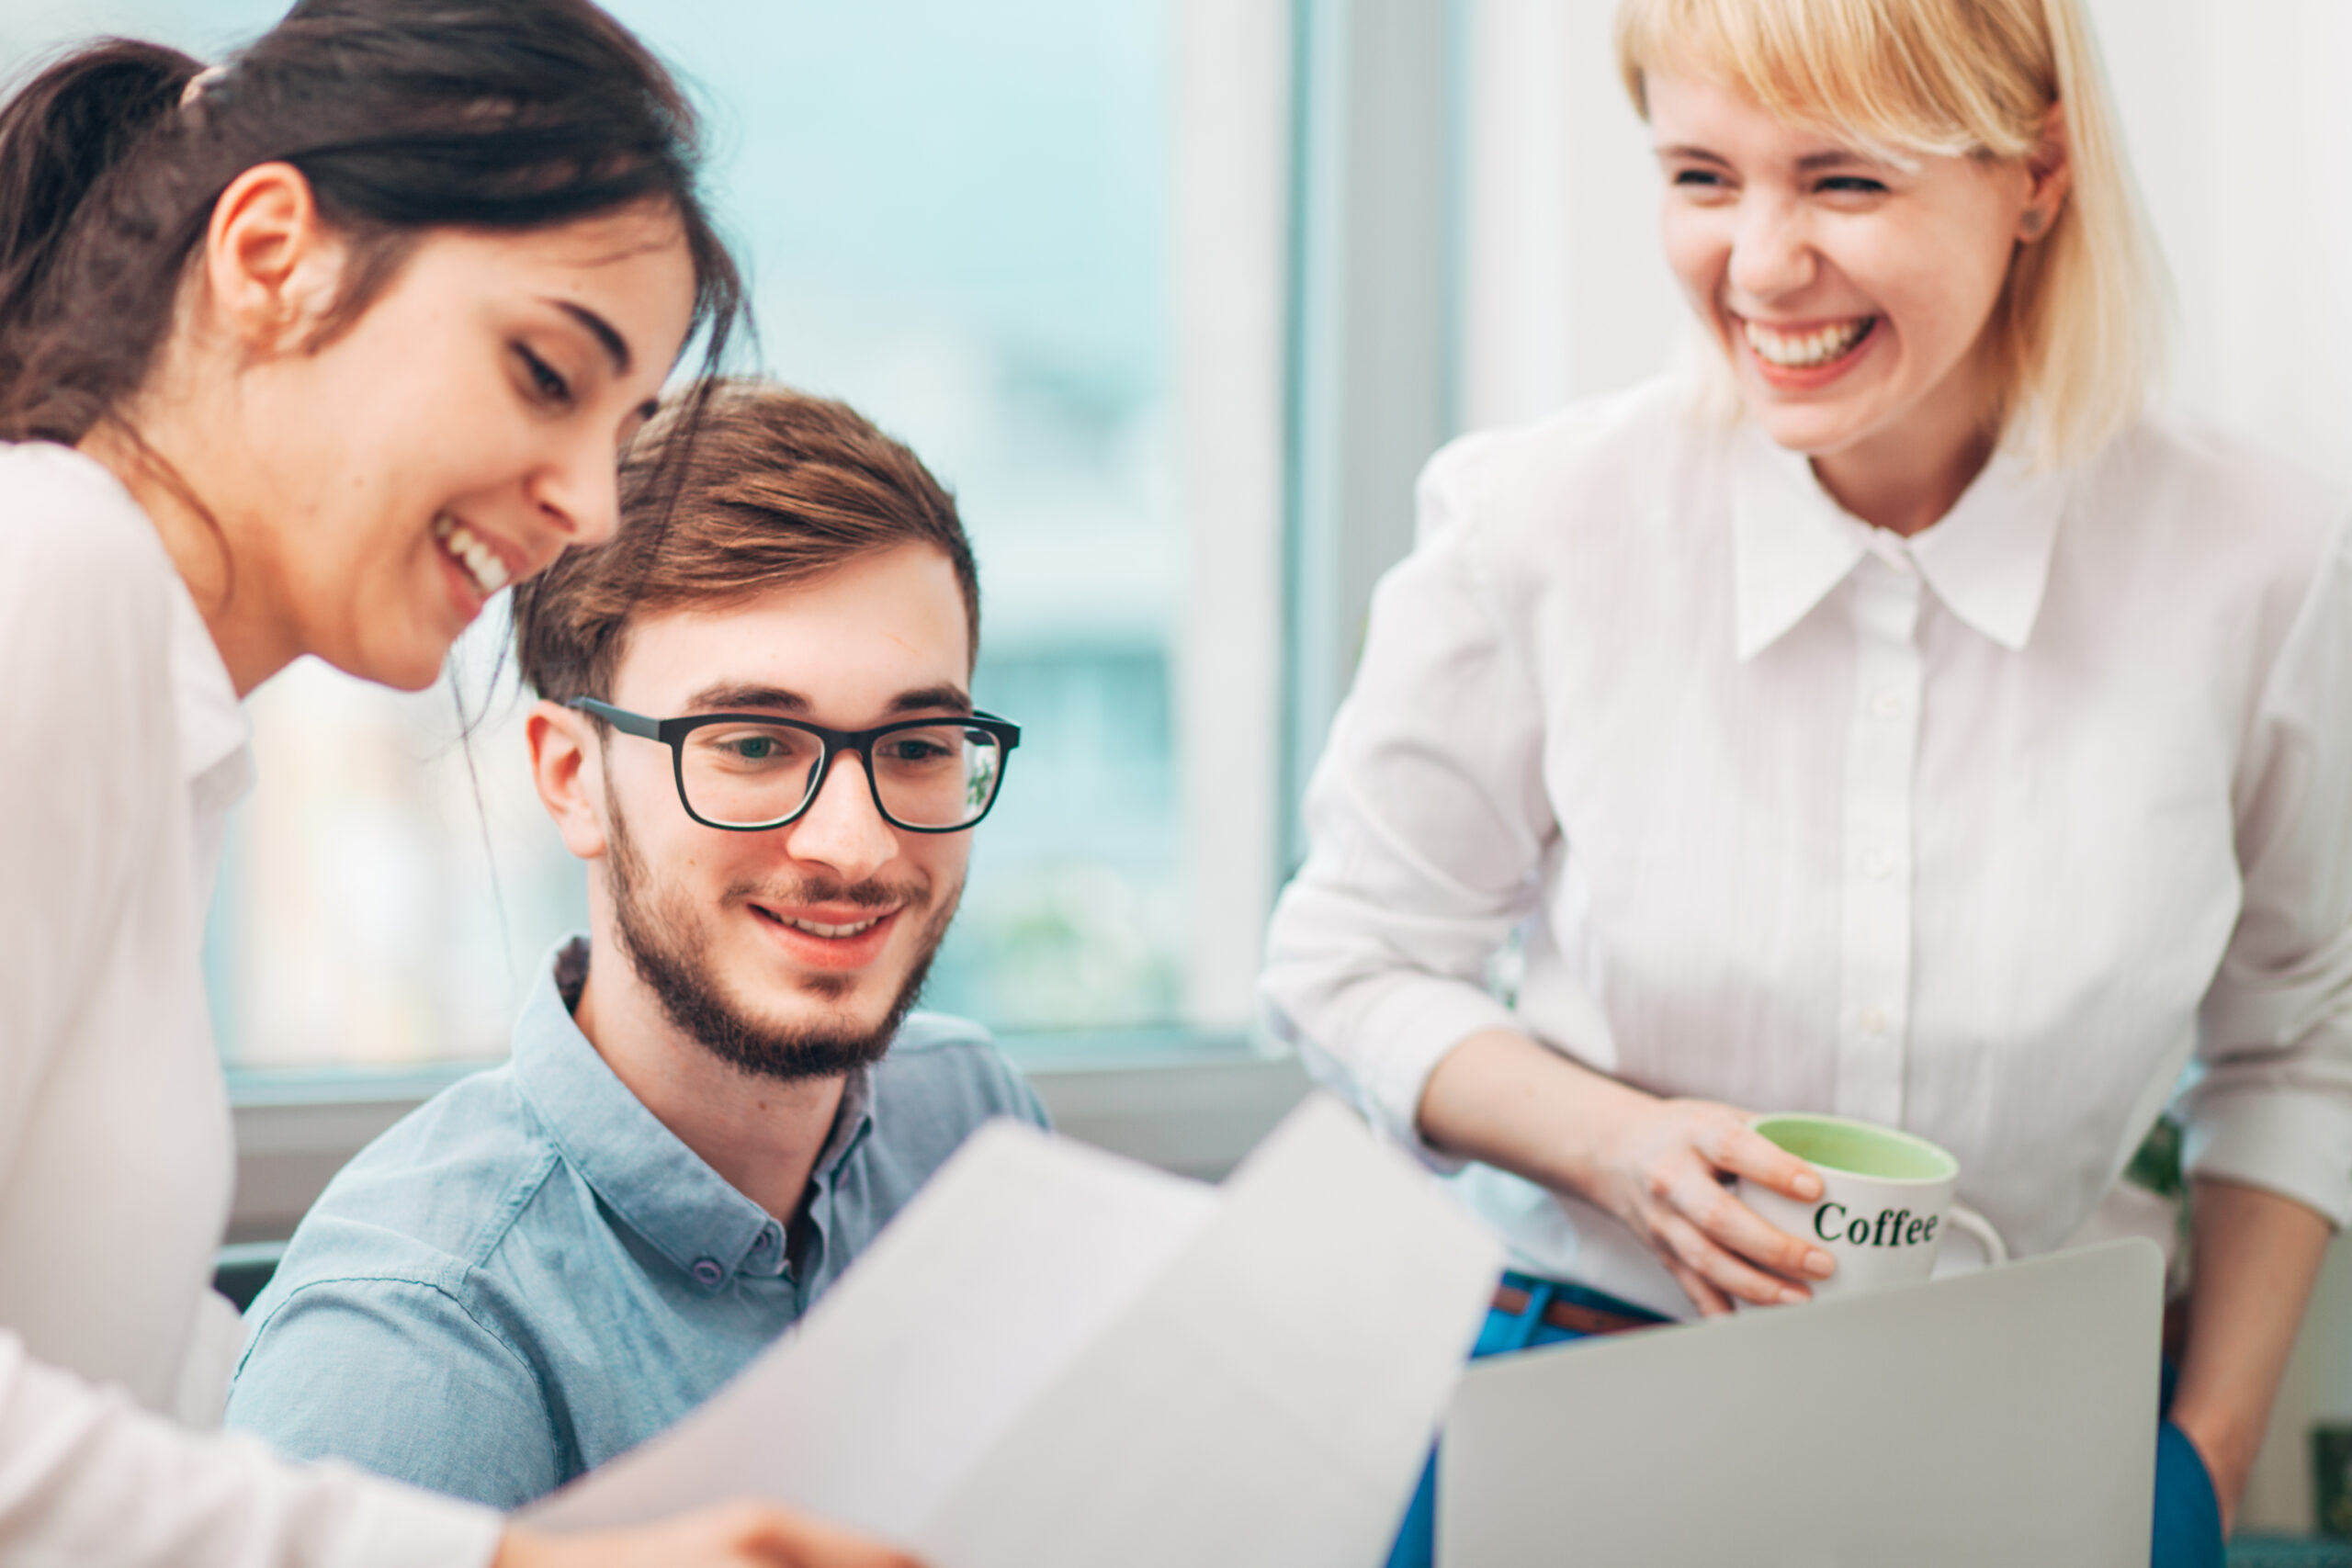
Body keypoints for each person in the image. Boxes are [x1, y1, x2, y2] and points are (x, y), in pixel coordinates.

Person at [1259, 1, 2350, 1564]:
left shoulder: (2259, 562)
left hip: (2039, 1428)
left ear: (2037, 174)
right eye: (1703, 176)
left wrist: (2206, 1458)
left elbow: (2299, 1041)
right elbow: (1344, 961)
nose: (1761, 266)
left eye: (1844, 182)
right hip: (1593, 1377)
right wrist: (1614, 1147)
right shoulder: (1538, 526)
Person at [0, 3, 920, 1563]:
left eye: (621, 432)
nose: (579, 507)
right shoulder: (51, 570)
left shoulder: (176, 738)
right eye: (543, 372)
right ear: (272, 253)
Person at [224, 382, 1043, 1506]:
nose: (855, 845)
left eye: (917, 744)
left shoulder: (974, 1126)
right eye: (754, 743)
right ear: (574, 781)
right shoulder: (414, 1342)